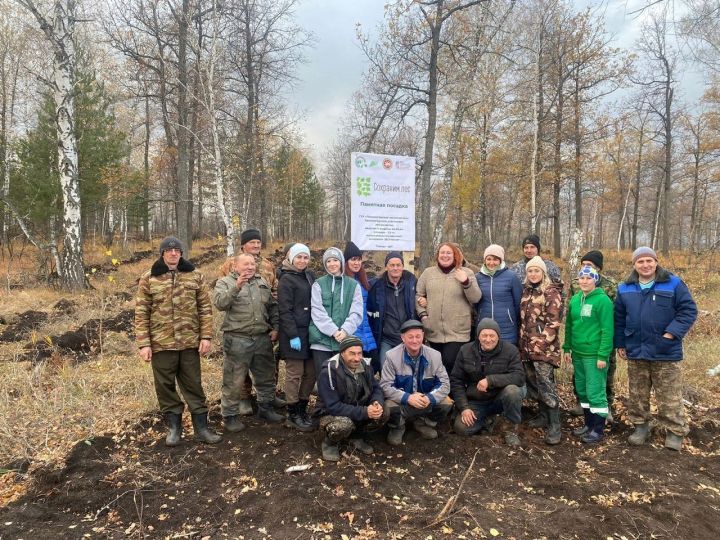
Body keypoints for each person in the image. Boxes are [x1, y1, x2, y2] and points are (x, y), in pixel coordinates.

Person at [135, 236, 222, 446]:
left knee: (193, 384)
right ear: (162, 253)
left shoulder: (195, 276)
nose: (173, 253)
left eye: (177, 250)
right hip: (161, 343)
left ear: (181, 254)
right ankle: (174, 428)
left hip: (190, 342)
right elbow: (141, 312)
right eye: (169, 250)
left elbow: (205, 309)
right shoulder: (149, 278)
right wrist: (144, 343)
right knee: (165, 385)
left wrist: (206, 336)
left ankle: (201, 428)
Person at [615, 247, 698, 451]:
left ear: (656, 262)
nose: (645, 265)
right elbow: (618, 318)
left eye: (649, 261)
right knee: (637, 394)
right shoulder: (625, 288)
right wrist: (620, 343)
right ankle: (641, 427)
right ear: (634, 264)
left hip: (665, 350)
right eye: (640, 261)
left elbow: (688, 310)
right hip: (636, 349)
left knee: (669, 395)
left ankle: (675, 432)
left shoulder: (673, 283)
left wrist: (671, 333)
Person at [218, 228, 284, 415]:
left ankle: (267, 400)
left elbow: (273, 293)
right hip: (240, 324)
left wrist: (275, 323)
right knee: (238, 371)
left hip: (263, 322)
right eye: (251, 242)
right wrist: (237, 286)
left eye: (258, 242)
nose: (255, 245)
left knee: (266, 367)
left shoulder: (268, 266)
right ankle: (244, 398)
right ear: (243, 246)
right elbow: (223, 297)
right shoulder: (230, 265)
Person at [450, 318, 526, 447]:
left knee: (513, 391)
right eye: (484, 335)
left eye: (492, 335)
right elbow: (456, 381)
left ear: (498, 336)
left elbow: (519, 377)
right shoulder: (465, 350)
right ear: (478, 336)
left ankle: (511, 429)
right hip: (478, 400)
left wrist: (490, 380)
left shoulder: (510, 350)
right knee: (461, 429)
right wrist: (464, 408)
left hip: (501, 398)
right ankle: (489, 420)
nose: (488, 339)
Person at [380, 320, 453, 445]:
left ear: (423, 336)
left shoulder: (435, 355)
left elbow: (445, 384)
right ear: (403, 338)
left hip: (425, 401)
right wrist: (408, 398)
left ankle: (422, 423)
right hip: (403, 402)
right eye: (410, 337)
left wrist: (430, 398)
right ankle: (398, 427)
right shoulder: (392, 356)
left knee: (446, 402)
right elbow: (385, 386)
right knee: (388, 406)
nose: (415, 341)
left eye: (418, 336)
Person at [563, 265, 614, 443]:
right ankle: (588, 424)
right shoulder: (575, 300)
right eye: (581, 278)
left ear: (595, 280)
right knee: (583, 391)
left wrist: (602, 355)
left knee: (595, 392)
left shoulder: (603, 301)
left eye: (588, 278)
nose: (584, 281)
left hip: (594, 355)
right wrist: (566, 348)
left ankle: (598, 430)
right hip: (577, 353)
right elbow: (569, 326)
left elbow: (607, 330)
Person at [315, 336, 385, 461]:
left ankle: (356, 437)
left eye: (359, 353)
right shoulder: (329, 372)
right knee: (343, 425)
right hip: (329, 413)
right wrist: (364, 412)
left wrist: (376, 403)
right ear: (342, 353)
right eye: (352, 354)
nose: (357, 358)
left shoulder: (366, 366)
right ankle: (329, 443)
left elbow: (376, 389)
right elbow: (333, 407)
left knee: (384, 412)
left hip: (356, 408)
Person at [567, 250, 618, 419]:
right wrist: (567, 346)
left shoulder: (609, 287)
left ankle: (604, 410)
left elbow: (610, 319)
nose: (584, 279)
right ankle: (586, 411)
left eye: (590, 266)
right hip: (580, 346)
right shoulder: (575, 286)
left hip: (601, 343)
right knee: (582, 381)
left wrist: (604, 350)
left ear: (598, 269)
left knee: (601, 380)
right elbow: (571, 316)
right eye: (583, 265)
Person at [416, 242, 481, 373]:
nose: (445, 255)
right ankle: (440, 392)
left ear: (455, 255)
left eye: (449, 253)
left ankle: (452, 393)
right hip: (433, 329)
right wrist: (423, 315)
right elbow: (418, 295)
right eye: (442, 252)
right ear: (437, 255)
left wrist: (465, 282)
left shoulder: (466, 273)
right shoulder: (428, 273)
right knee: (435, 365)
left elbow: (476, 298)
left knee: (449, 362)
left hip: (458, 331)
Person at [518, 256, 564, 445]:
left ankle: (555, 425)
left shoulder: (551, 292)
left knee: (546, 385)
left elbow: (554, 323)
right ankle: (543, 415)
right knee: (534, 383)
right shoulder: (527, 291)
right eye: (530, 271)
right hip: (526, 349)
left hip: (544, 350)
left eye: (537, 270)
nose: (533, 274)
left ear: (543, 272)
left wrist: (541, 343)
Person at [277, 243, 316, 431]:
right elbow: (284, 310)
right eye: (299, 257)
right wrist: (293, 335)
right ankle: (292, 412)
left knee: (311, 373)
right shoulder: (286, 279)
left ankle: (302, 407)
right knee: (295, 373)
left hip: (310, 332)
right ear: (291, 258)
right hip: (294, 333)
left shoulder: (309, 276)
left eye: (305, 257)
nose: (302, 261)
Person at [309, 247, 364, 376]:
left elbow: (356, 312)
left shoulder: (353, 285)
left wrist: (345, 330)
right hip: (321, 341)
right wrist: (333, 331)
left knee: (343, 379)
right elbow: (317, 311)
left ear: (341, 262)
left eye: (335, 260)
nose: (332, 264)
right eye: (328, 261)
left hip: (344, 342)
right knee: (324, 378)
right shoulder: (318, 284)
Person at [367, 251, 417, 371]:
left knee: (409, 371)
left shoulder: (412, 283)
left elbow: (423, 296)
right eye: (392, 265)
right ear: (386, 267)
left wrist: (422, 300)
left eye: (398, 265)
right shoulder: (376, 286)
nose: (395, 268)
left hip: (407, 337)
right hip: (386, 338)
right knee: (385, 370)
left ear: (402, 266)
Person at [475, 244, 522, 345]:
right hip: (485, 326)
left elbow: (518, 303)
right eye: (489, 259)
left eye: (496, 259)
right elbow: (475, 301)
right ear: (485, 260)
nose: (492, 263)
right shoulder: (478, 277)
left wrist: (514, 321)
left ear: (501, 260)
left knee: (506, 356)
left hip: (506, 327)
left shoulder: (511, 276)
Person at [343, 242, 378, 364]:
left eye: (359, 260)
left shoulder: (362, 281)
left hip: (366, 329)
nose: (357, 263)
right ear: (346, 261)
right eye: (353, 259)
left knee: (373, 364)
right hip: (352, 331)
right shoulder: (342, 282)